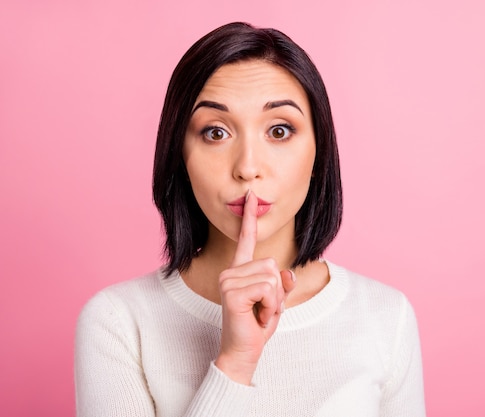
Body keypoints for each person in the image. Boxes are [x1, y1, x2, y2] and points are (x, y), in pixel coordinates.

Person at [74, 22, 426, 417]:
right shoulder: (119, 322)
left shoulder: (385, 316)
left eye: (279, 130)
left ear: (319, 152)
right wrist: (235, 362)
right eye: (215, 132)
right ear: (180, 156)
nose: (247, 167)